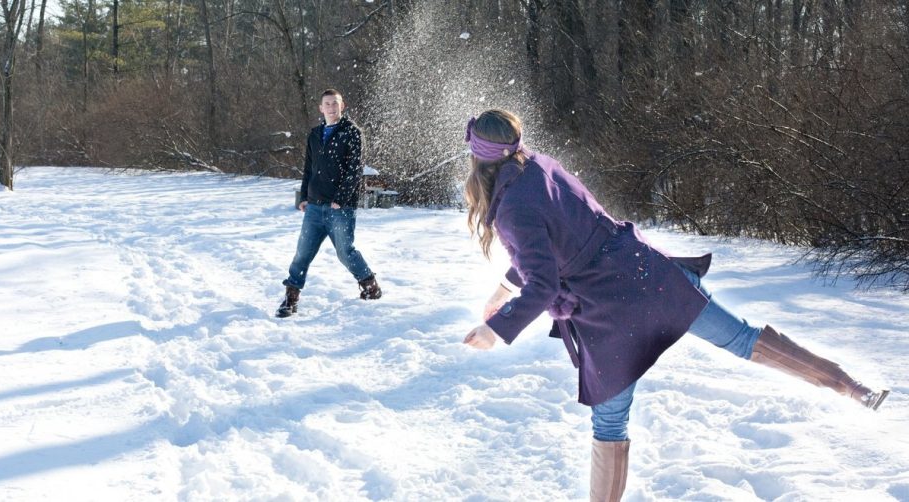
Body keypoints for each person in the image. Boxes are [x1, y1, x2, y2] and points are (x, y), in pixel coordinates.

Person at [459, 109, 889, 501]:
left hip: (609, 313)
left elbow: (545, 279)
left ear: (479, 159)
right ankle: (851, 387)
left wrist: (496, 330)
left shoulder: (511, 206)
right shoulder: (539, 165)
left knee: (610, 426)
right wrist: (502, 290)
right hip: (649, 275)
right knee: (743, 338)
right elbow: (564, 239)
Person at [276, 89, 382, 318]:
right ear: (320, 108)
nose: (331, 108)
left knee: (345, 253)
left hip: (340, 208)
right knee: (302, 254)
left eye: (335, 103)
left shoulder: (351, 132)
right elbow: (308, 168)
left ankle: (370, 286)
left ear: (342, 106)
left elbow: (354, 169)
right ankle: (290, 298)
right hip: (314, 207)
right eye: (327, 104)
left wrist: (340, 199)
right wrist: (304, 196)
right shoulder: (314, 134)